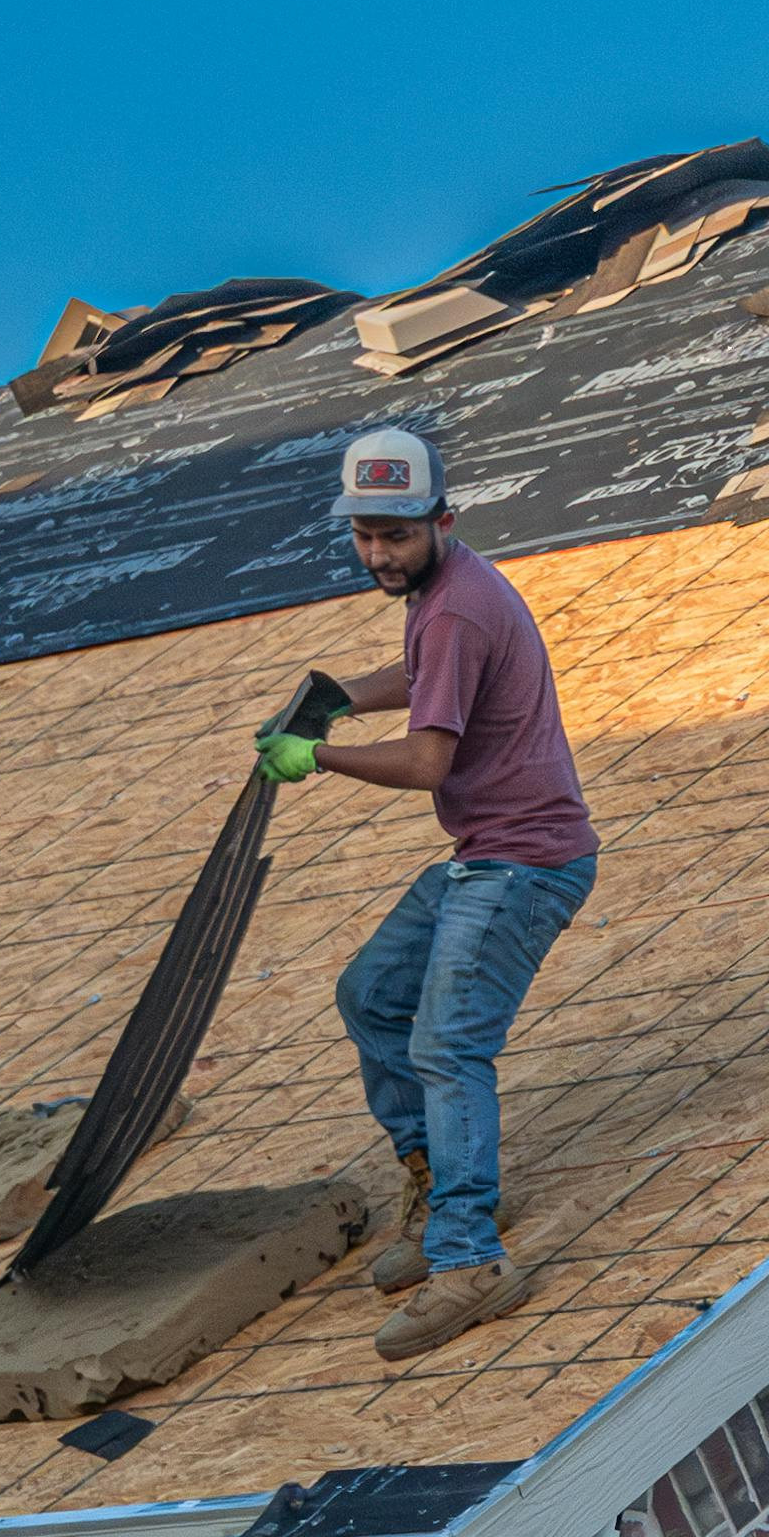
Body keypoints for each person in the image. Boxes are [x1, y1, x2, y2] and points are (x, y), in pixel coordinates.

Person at [265, 417, 593, 1358]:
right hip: (487, 851)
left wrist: (317, 754)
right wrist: (338, 697)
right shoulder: (447, 590)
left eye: (397, 535)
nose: (379, 553)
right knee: (372, 994)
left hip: (524, 861)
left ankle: (471, 1259)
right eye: (365, 535)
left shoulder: (453, 607)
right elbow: (423, 675)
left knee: (448, 1046)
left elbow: (424, 764)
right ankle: (440, 1185)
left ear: (443, 521)